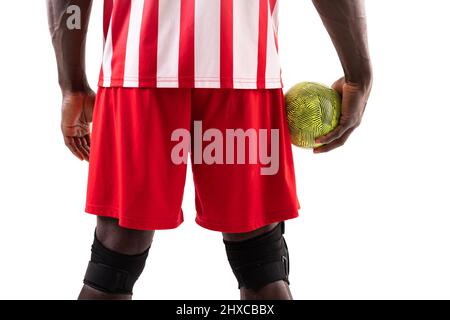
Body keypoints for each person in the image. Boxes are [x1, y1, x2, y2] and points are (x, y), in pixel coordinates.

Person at [47, 0, 372, 300]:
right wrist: (359, 72)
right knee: (260, 258)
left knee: (115, 256)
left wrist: (71, 84)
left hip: (137, 63)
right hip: (242, 61)